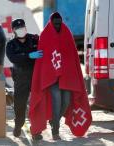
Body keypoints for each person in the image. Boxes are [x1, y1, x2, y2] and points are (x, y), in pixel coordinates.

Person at [29, 12, 92, 140]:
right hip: (52, 78)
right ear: (51, 22)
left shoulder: (67, 33)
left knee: (66, 102)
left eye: (59, 23)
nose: (57, 26)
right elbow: (44, 58)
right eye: (55, 23)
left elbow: (72, 55)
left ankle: (54, 120)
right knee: (56, 103)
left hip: (66, 77)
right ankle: (55, 131)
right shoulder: (45, 35)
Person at [6, 18, 43, 137]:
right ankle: (18, 125)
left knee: (37, 103)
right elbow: (13, 58)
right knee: (20, 104)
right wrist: (28, 55)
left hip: (35, 76)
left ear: (25, 28)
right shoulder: (11, 45)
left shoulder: (34, 39)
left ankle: (36, 130)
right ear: (14, 31)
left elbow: (45, 48)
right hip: (21, 77)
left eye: (22, 27)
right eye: (18, 28)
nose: (21, 30)